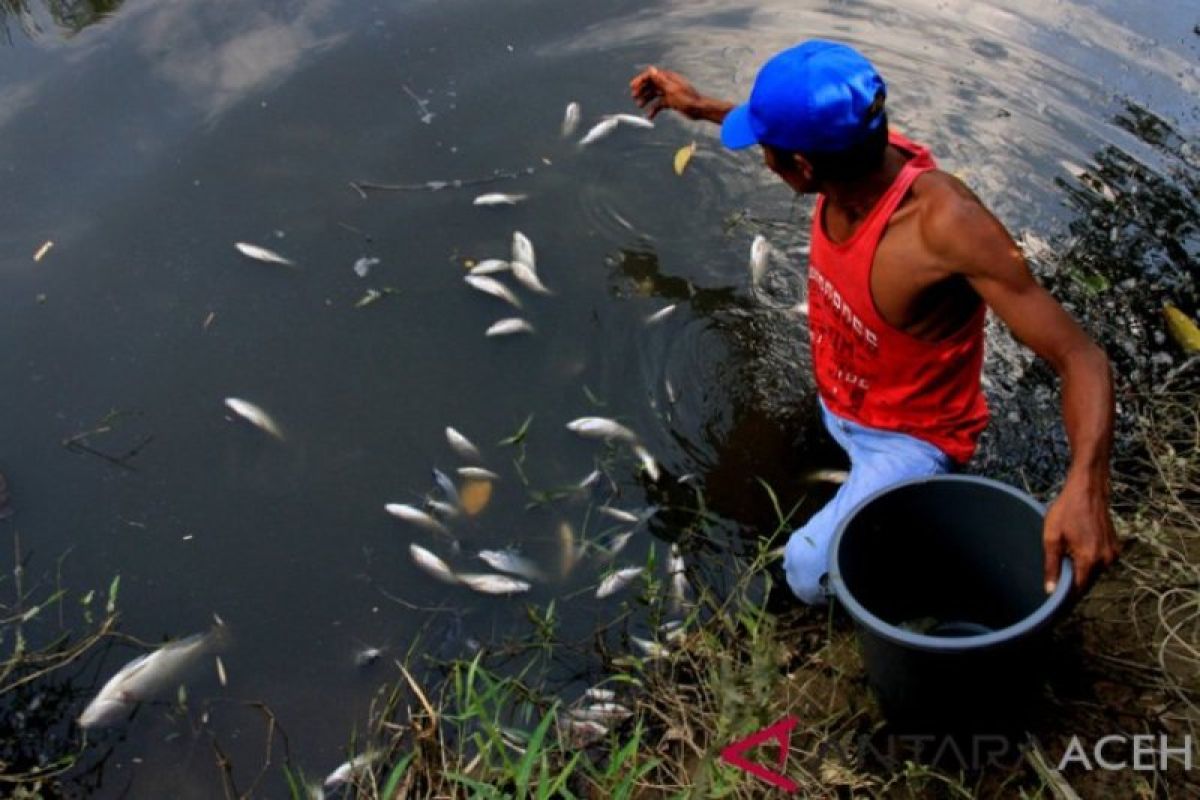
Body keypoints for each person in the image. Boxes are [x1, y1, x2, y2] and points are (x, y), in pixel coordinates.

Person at [630, 40, 1119, 604]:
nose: (764, 158)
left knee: (805, 571)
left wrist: (1087, 483)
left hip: (911, 442)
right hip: (840, 400)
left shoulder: (947, 228)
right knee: (743, 482)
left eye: (767, 149)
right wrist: (699, 107)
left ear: (803, 166)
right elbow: (794, 132)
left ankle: (912, 550)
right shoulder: (854, 154)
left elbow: (1082, 357)